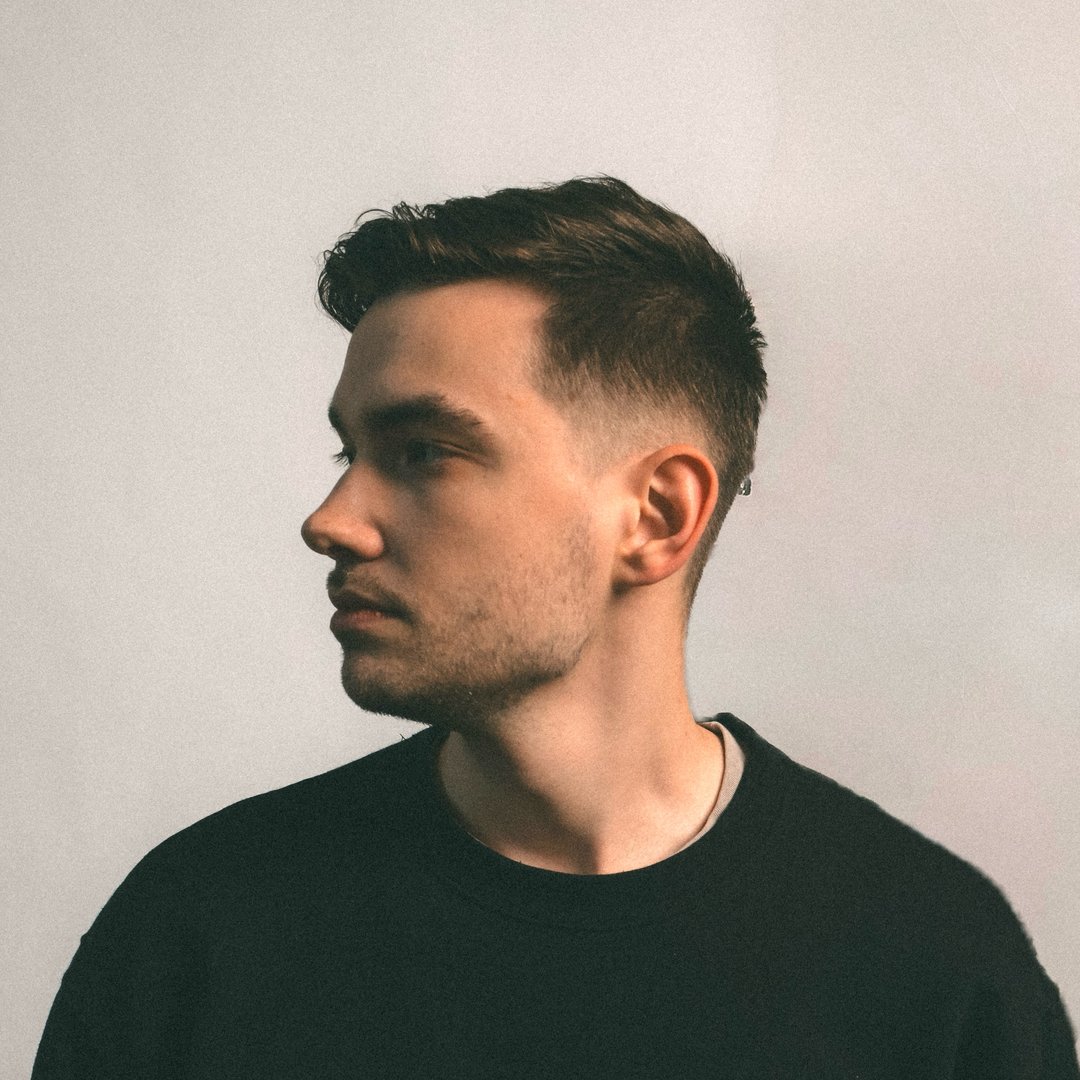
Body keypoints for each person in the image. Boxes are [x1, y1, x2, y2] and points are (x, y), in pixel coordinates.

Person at [34, 177, 1077, 1078]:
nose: (331, 521)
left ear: (656, 516)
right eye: (348, 454)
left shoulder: (934, 970)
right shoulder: (201, 934)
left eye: (424, 451)